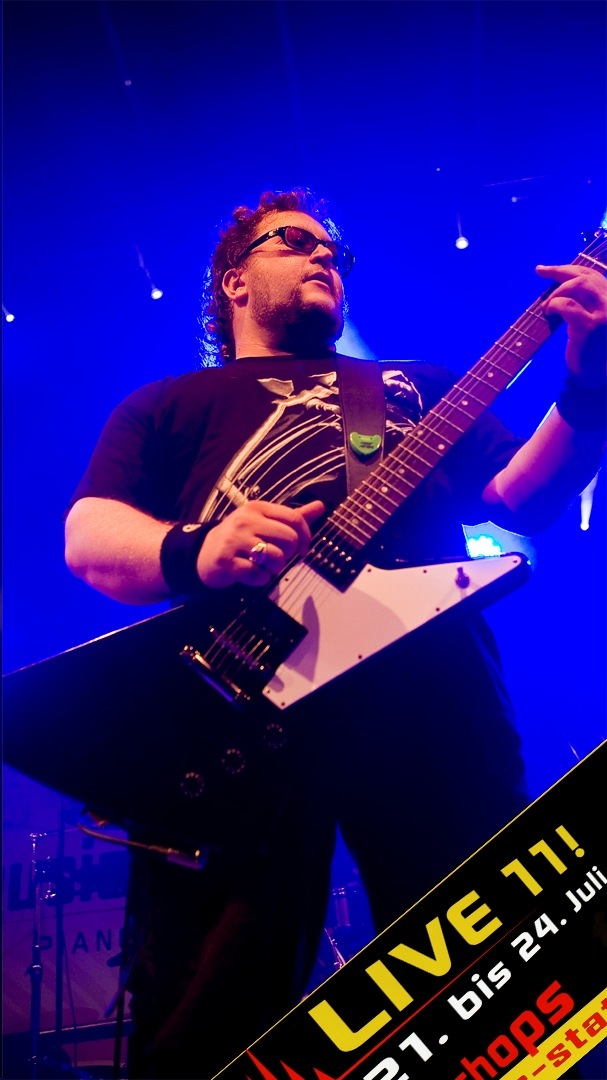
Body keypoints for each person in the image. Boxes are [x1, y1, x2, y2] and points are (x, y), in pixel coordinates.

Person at [64, 189, 606, 1078]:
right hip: (235, 713)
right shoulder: (166, 403)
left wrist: (587, 385)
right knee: (209, 1007)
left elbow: (525, 498)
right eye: (296, 242)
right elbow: (89, 537)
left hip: (431, 700)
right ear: (233, 280)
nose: (324, 257)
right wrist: (198, 547)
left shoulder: (410, 385)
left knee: (493, 981)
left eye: (335, 253)